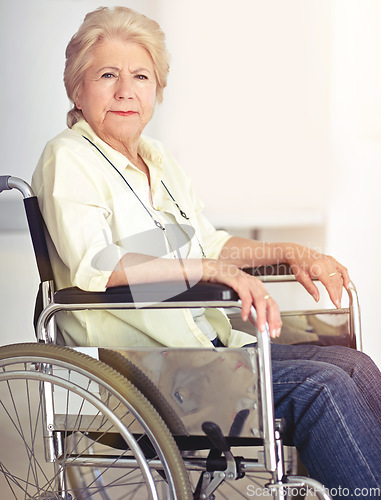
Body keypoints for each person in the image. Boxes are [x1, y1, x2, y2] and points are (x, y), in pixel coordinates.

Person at [32, 6, 381, 497]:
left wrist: (294, 251)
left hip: (206, 350)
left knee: (356, 366)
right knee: (325, 390)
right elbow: (98, 264)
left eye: (141, 76)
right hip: (146, 367)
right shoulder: (68, 157)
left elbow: (208, 242)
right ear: (77, 88)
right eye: (107, 74)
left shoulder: (158, 158)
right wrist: (211, 268)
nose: (126, 90)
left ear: (157, 89)